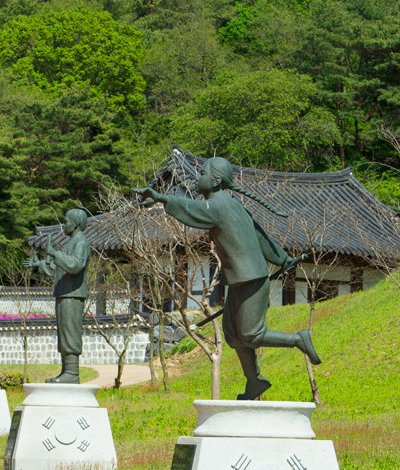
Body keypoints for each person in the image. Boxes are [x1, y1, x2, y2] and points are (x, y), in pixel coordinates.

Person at [135, 156, 321, 400]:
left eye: (201, 173)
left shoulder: (218, 206)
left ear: (215, 180)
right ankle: (254, 381)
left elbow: (194, 211)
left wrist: (162, 198)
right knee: (233, 336)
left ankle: (298, 339)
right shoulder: (234, 206)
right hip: (241, 280)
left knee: (250, 334)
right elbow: (261, 236)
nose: (196, 177)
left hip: (250, 279)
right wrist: (284, 259)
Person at [24, 209, 90, 384]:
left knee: (70, 331)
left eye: (67, 221)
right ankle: (66, 370)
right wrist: (40, 265)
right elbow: (60, 269)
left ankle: (72, 372)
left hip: (72, 295)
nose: (64, 224)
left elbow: (76, 266)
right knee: (64, 332)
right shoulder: (71, 243)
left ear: (75, 223)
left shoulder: (81, 242)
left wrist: (55, 254)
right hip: (64, 293)